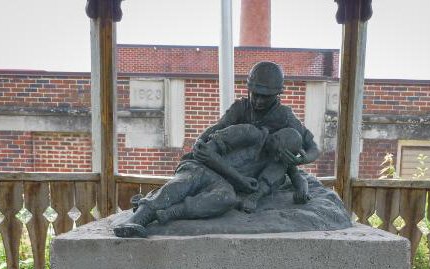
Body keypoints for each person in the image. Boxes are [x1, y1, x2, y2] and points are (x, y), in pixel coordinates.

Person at [112, 124, 307, 238]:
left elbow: (297, 177)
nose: (277, 157)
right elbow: (206, 153)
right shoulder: (249, 132)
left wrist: (302, 191)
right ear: (276, 138)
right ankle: (137, 219)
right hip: (201, 167)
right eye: (279, 150)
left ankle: (170, 213)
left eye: (282, 156)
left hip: (223, 184)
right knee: (183, 184)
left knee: (227, 198)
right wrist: (240, 179)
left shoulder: (277, 160)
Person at [191, 61, 320, 173]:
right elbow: (218, 127)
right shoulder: (240, 107)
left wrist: (303, 159)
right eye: (255, 95)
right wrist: (199, 141)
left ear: (277, 94)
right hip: (232, 164)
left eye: (265, 97)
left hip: (263, 170)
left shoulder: (285, 115)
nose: (259, 101)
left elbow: (313, 147)